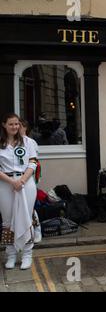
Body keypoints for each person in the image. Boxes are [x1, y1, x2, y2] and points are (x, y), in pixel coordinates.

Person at [0, 113, 38, 270]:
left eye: (17, 124)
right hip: (5, 184)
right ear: (4, 125)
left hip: (26, 183)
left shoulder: (28, 142)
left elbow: (33, 163)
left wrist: (21, 181)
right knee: (8, 221)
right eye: (11, 124)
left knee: (26, 217)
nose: (15, 127)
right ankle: (11, 255)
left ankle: (27, 254)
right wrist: (12, 182)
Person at [19, 119, 42, 244]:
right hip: (16, 179)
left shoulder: (30, 142)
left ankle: (37, 229)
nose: (18, 128)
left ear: (25, 128)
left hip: (29, 176)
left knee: (30, 206)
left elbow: (33, 161)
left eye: (21, 126)